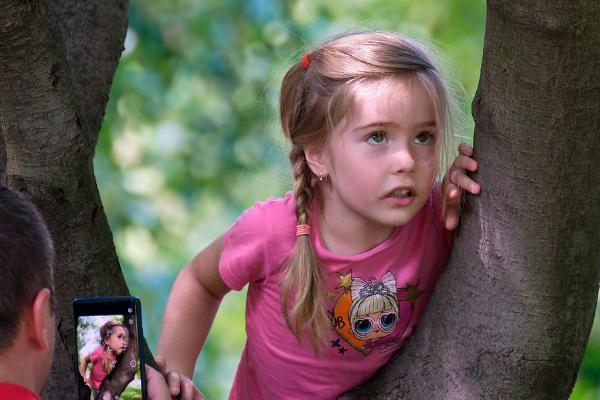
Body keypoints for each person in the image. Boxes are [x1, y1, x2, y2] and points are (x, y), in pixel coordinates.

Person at [158, 30, 481, 399]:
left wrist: (468, 194)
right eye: (377, 137)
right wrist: (174, 373)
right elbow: (200, 281)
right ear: (318, 155)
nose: (406, 161)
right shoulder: (272, 232)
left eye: (423, 136)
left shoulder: (440, 216)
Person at [0, 183, 172, 399]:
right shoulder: (98, 354)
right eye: (120, 336)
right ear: (39, 321)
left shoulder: (116, 358)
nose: (123, 342)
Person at [79, 320, 129, 399]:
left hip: (106, 386)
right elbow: (84, 360)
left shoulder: (118, 355)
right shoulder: (99, 352)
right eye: (119, 337)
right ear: (107, 340)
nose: (123, 342)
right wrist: (82, 376)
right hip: (95, 386)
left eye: (124, 338)